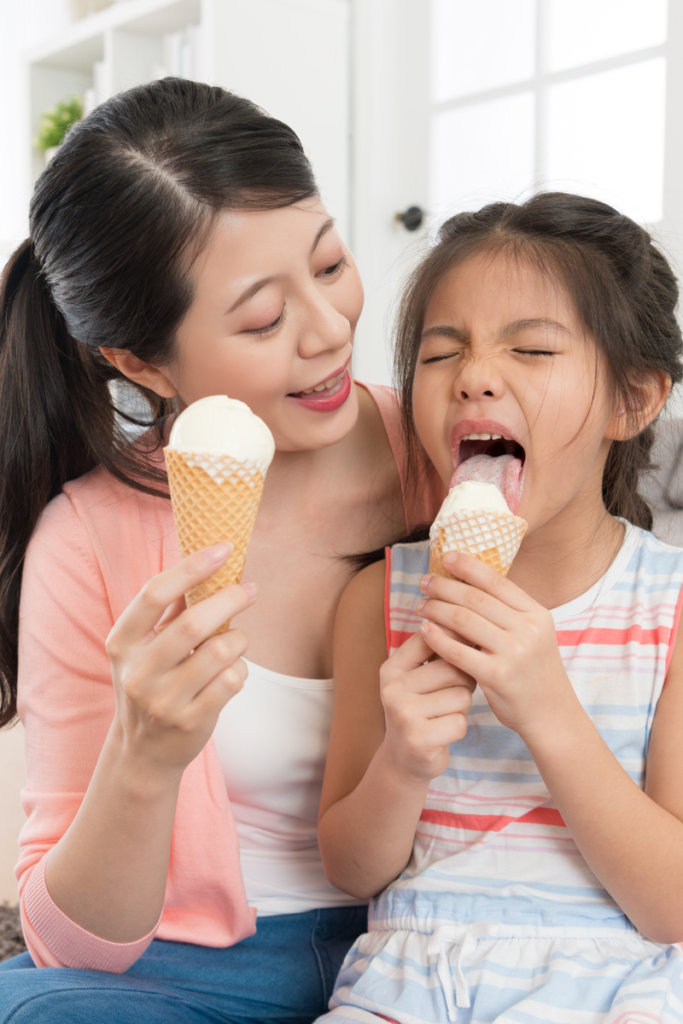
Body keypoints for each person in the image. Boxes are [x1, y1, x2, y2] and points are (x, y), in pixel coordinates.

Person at [0, 79, 443, 1023]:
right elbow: (70, 946)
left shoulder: (452, 466)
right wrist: (144, 756)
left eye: (329, 265)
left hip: (441, 944)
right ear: (140, 363)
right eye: (259, 320)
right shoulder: (88, 538)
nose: (328, 332)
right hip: (204, 977)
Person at [315, 193, 683, 1022]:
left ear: (632, 399)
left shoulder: (669, 608)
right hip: (411, 976)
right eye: (442, 354)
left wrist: (547, 710)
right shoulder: (379, 597)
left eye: (531, 348)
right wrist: (403, 761)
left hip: (617, 981)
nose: (476, 374)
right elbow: (349, 866)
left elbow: (672, 905)